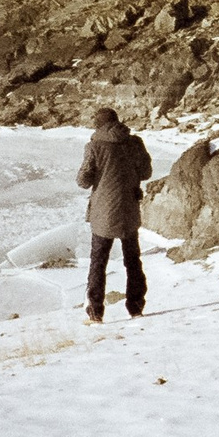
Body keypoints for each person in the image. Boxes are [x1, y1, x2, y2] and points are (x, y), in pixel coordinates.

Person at [78, 107, 152, 323]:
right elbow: (146, 172)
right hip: (128, 207)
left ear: (98, 124)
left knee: (98, 261)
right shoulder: (135, 143)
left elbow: (83, 181)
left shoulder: (94, 146)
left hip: (104, 212)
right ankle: (136, 306)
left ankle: (95, 311)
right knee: (133, 259)